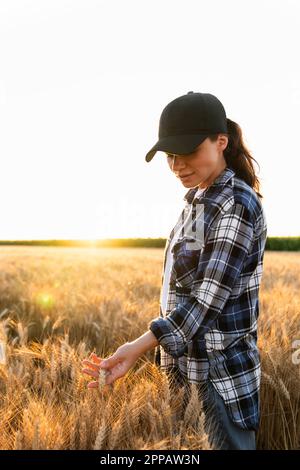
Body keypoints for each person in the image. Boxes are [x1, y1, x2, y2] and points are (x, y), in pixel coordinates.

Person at [81, 91, 268, 450]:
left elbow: (206, 301)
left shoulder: (237, 203)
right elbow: (183, 288)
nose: (178, 165)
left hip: (220, 380)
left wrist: (138, 346)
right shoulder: (198, 200)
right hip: (183, 374)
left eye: (189, 152)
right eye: (171, 156)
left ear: (221, 142)